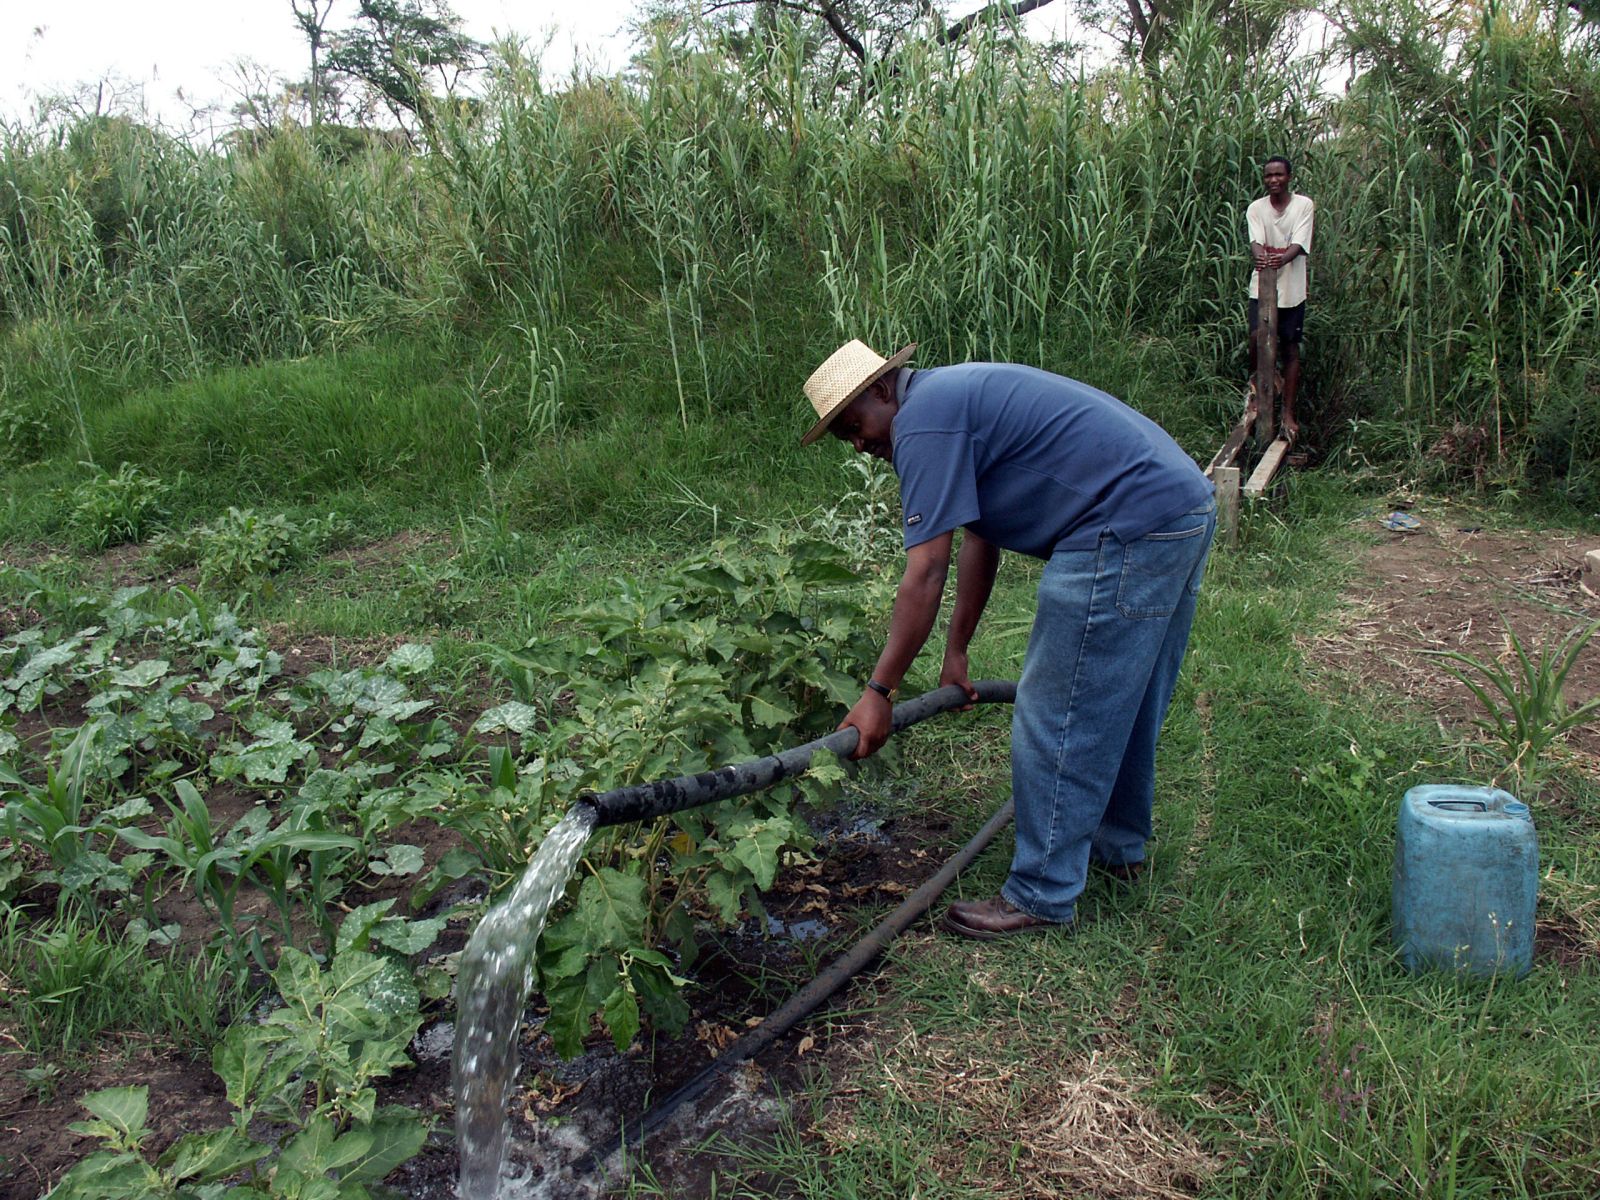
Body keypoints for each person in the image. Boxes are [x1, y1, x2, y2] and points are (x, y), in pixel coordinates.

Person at [799, 340, 1216, 939]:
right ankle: (1118, 847)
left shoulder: (922, 425)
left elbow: (925, 574)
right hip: (1179, 506)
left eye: (855, 426)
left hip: (1121, 524)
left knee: (1055, 710)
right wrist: (956, 650)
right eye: (845, 439)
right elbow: (979, 536)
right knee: (1127, 695)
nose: (860, 445)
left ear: (882, 391)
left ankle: (1042, 892)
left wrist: (878, 691)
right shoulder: (946, 401)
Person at [1246, 155, 1314, 444]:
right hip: (1261, 288)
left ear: (1289, 177)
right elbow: (1256, 244)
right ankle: (1262, 391)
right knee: (1256, 338)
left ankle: (1287, 412)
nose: (1273, 180)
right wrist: (1264, 257)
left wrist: (1278, 258)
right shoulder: (1256, 208)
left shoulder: (1303, 205)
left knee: (1290, 350)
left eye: (1279, 175)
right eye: (1268, 176)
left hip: (1293, 289)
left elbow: (1298, 246)